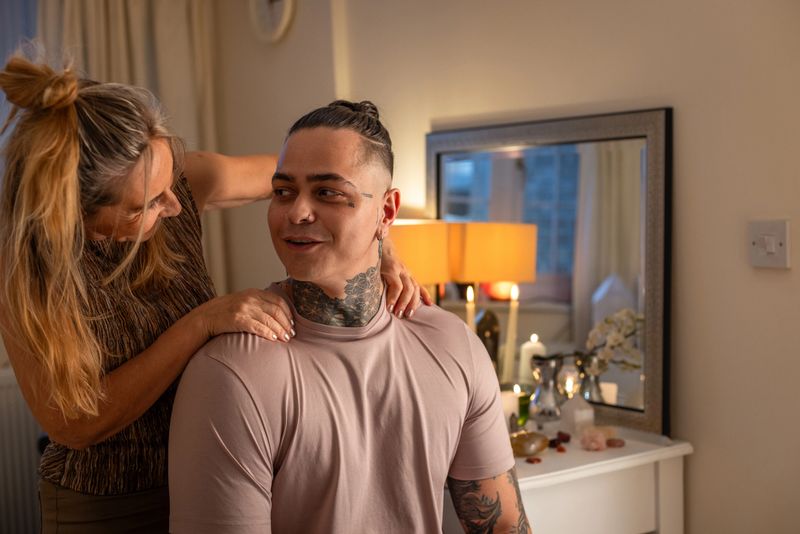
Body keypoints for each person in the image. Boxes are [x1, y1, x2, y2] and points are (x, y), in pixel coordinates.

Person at [0, 56, 427, 533]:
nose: (176, 204)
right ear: (77, 210)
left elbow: (313, 178)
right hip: (110, 504)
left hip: (215, 477)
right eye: (149, 203)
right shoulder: (22, 270)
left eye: (171, 183)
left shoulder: (173, 177)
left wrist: (376, 239)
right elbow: (73, 424)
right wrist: (200, 323)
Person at [168, 100, 531, 533]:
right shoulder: (231, 372)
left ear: (387, 212)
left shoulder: (454, 345)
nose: (296, 212)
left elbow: (503, 526)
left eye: (328, 193)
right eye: (283, 191)